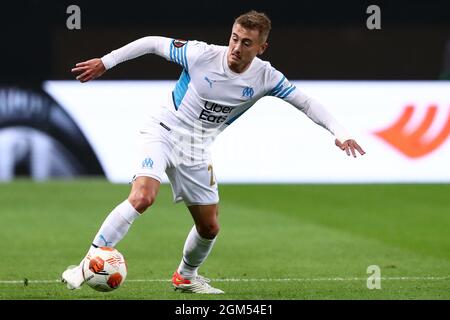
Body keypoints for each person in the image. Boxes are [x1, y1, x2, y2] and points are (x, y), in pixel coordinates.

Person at [62, 10, 365, 294]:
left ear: (262, 47)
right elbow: (152, 43)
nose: (236, 47)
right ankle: (85, 264)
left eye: (246, 43)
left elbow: (307, 102)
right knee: (143, 197)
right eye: (234, 38)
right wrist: (106, 61)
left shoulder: (266, 77)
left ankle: (185, 277)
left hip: (196, 149)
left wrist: (341, 133)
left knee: (209, 226)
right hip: (164, 132)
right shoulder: (201, 54)